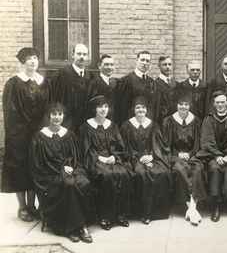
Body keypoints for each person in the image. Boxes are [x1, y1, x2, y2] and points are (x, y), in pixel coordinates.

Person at [30, 103, 93, 243]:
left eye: (60, 114)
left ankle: (79, 225)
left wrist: (70, 167)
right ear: (48, 116)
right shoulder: (39, 137)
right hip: (48, 176)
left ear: (63, 116)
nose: (57, 117)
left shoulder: (69, 135)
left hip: (69, 170)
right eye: (54, 114)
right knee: (68, 185)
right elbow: (37, 165)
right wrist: (60, 170)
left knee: (83, 182)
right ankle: (74, 228)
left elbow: (75, 158)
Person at [2, 47, 49, 222]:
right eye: (29, 59)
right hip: (20, 136)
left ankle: (32, 206)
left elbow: (47, 109)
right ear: (22, 62)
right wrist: (22, 131)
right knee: (20, 170)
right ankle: (22, 207)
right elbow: (10, 112)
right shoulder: (14, 84)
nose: (33, 61)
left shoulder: (43, 82)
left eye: (35, 58)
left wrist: (42, 130)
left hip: (38, 134)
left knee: (35, 168)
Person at [80, 95, 132, 230]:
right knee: (107, 176)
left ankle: (120, 215)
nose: (103, 109)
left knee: (123, 174)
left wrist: (114, 157)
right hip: (95, 160)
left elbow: (120, 146)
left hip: (112, 159)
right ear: (94, 109)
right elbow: (86, 149)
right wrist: (100, 158)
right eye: (100, 107)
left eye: (105, 106)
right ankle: (105, 217)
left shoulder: (112, 125)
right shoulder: (86, 127)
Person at [195, 91, 227, 222]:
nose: (220, 105)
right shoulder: (209, 119)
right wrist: (217, 155)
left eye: (222, 102)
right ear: (214, 104)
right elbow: (207, 140)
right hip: (213, 155)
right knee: (214, 168)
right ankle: (215, 205)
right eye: (217, 102)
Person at [120, 97, 171, 225]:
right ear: (133, 110)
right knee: (141, 174)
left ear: (147, 110)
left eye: (143, 108)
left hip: (152, 156)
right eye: (138, 108)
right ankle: (142, 213)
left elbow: (159, 146)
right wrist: (139, 158)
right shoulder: (126, 126)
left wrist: (152, 156)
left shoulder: (153, 125)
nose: (140, 110)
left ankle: (155, 213)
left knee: (160, 172)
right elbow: (123, 147)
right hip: (133, 159)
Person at [162, 94, 206, 226]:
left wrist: (191, 154)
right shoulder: (168, 121)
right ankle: (192, 208)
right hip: (175, 156)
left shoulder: (196, 121)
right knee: (180, 169)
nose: (183, 107)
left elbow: (198, 143)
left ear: (189, 106)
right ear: (176, 106)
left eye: (186, 104)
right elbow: (166, 145)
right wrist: (178, 154)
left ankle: (191, 208)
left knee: (198, 169)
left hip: (193, 155)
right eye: (181, 104)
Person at [51, 43, 91, 134]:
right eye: (79, 54)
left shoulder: (89, 76)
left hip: (84, 121)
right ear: (73, 55)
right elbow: (55, 99)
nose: (82, 57)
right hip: (67, 121)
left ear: (87, 57)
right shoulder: (62, 74)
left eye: (84, 54)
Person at [115, 50, 157, 125]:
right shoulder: (126, 81)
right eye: (142, 60)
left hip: (147, 124)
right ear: (137, 61)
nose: (144, 63)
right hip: (131, 125)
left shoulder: (151, 82)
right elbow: (122, 107)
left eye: (147, 61)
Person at [87, 54, 118, 121]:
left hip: (114, 121)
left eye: (112, 65)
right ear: (99, 66)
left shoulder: (116, 82)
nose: (109, 67)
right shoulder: (94, 83)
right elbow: (91, 106)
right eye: (106, 64)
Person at [154, 55, 178, 125]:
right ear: (159, 66)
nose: (167, 67)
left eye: (169, 64)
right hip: (162, 122)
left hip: (175, 122)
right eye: (164, 64)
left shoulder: (176, 84)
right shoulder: (155, 84)